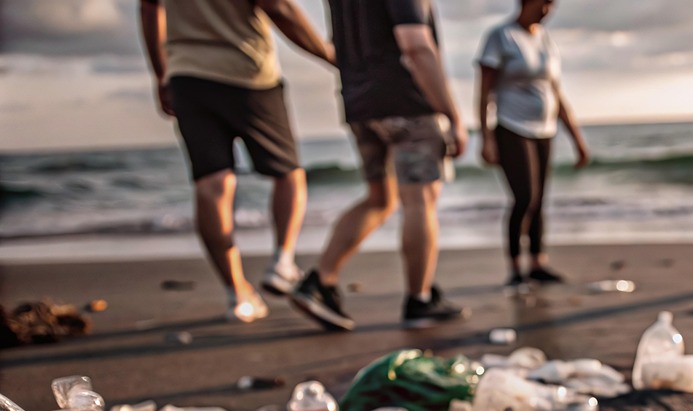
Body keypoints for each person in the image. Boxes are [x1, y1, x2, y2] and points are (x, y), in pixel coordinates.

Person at [139, 0, 334, 322]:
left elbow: (149, 9)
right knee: (289, 173)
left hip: (187, 74)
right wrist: (329, 54)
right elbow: (280, 8)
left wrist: (162, 74)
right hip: (247, 70)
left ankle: (237, 294)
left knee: (211, 182)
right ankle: (282, 262)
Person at [290, 0, 469, 331]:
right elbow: (416, 46)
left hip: (360, 103)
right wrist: (452, 115)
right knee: (421, 201)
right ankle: (420, 299)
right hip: (407, 102)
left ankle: (320, 280)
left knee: (379, 199)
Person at [476, 0, 590, 289]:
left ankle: (538, 263)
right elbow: (484, 91)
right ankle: (516, 269)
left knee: (539, 200)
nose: (547, 10)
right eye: (543, 3)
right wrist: (486, 137)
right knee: (525, 197)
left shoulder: (545, 39)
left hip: (545, 130)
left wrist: (577, 139)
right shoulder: (501, 36)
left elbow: (556, 93)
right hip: (511, 127)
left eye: (552, 5)